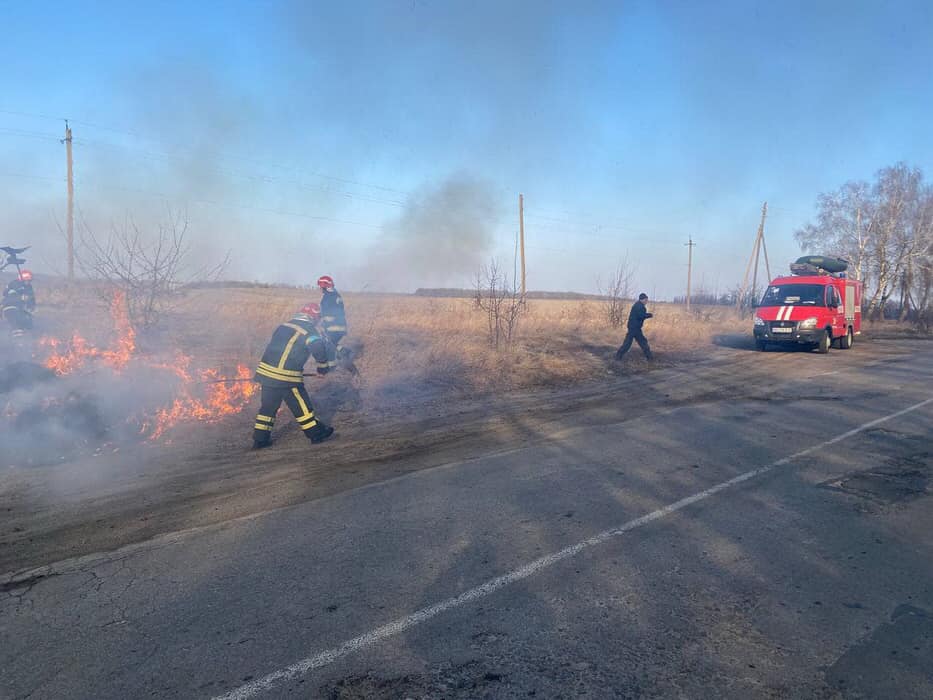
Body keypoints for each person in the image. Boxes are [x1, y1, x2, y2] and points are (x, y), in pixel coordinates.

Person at [252, 302, 335, 448]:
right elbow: (318, 348)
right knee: (302, 407)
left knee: (267, 409)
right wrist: (322, 369)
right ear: (314, 316)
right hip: (286, 377)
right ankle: (316, 434)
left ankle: (260, 440)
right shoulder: (309, 331)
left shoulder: (284, 325)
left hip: (267, 374)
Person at [317, 275, 347, 371]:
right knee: (331, 343)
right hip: (340, 326)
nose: (320, 289)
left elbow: (326, 313)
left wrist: (322, 321)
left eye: (320, 287)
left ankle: (332, 368)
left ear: (325, 286)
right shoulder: (336, 294)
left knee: (328, 346)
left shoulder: (327, 297)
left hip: (333, 327)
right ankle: (346, 353)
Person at [615, 292, 653, 361]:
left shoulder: (637, 304)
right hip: (634, 328)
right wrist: (649, 315)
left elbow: (639, 315)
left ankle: (650, 358)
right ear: (643, 299)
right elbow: (640, 316)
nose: (647, 301)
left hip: (634, 328)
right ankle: (650, 358)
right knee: (631, 343)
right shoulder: (640, 306)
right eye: (646, 300)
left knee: (639, 342)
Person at [2, 269, 36, 339]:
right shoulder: (15, 284)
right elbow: (9, 297)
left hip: (21, 309)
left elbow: (31, 299)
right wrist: (20, 298)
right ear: (22, 279)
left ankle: (27, 337)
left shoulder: (29, 287)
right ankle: (16, 337)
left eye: (29, 280)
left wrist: (32, 307)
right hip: (10, 307)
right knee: (16, 321)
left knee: (29, 323)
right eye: (26, 280)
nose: (28, 282)